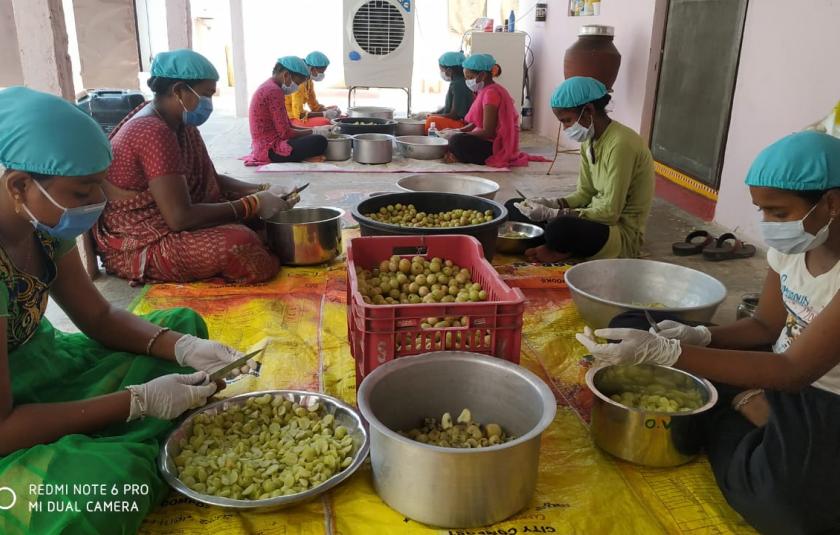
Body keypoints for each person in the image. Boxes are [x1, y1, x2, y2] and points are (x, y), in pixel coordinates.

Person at [0, 86, 254, 534]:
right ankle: (126, 434)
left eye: (100, 183)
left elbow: (97, 318)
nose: (100, 200)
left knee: (180, 323)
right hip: (9, 416)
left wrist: (184, 347)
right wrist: (138, 401)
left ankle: (127, 425)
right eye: (83, 191)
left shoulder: (40, 225)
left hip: (44, 363)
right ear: (20, 184)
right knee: (107, 488)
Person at [577, 131, 840, 535]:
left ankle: (728, 412)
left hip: (818, 395)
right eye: (761, 211)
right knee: (629, 322)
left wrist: (667, 354)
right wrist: (698, 336)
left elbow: (793, 370)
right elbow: (765, 325)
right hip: (775, 364)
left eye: (779, 213)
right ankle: (745, 405)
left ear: (831, 203)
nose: (768, 225)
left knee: (786, 504)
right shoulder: (791, 248)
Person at [94, 49, 298, 284]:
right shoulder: (152, 131)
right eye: (206, 94)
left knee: (262, 225)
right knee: (241, 242)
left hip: (169, 222)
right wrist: (252, 203)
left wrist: (261, 188)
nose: (208, 103)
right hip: (142, 240)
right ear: (179, 90)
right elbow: (179, 218)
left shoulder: (180, 123)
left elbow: (210, 178)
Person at [509, 77, 654, 263]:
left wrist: (555, 214)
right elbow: (585, 193)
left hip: (618, 232)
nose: (566, 128)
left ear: (589, 111)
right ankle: (554, 245)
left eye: (567, 121)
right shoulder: (589, 141)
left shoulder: (621, 144)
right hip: (592, 217)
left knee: (558, 228)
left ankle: (556, 247)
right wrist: (552, 203)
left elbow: (610, 213)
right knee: (516, 206)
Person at [444, 53, 538, 168]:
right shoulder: (483, 90)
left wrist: (460, 134)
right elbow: (475, 123)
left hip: (494, 146)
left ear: (482, 75)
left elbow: (488, 132)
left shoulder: (491, 93)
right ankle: (458, 153)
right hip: (486, 141)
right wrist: (457, 130)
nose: (467, 81)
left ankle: (461, 155)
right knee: (454, 138)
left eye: (470, 77)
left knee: (456, 141)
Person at [245, 56, 328, 165]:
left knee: (314, 137)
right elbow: (285, 133)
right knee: (319, 141)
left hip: (264, 146)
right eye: (297, 83)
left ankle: (302, 155)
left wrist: (314, 129)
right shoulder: (274, 91)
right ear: (286, 75)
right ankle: (300, 157)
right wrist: (314, 131)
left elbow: (289, 125)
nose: (297, 87)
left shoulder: (271, 86)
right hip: (270, 149)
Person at [421, 51, 473, 134]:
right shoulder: (457, 82)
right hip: (458, 121)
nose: (441, 73)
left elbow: (454, 115)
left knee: (431, 121)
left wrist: (433, 116)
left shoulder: (459, 84)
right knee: (431, 117)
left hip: (461, 124)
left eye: (441, 70)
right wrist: (434, 113)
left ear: (449, 70)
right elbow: (449, 106)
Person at [285, 51, 340, 128]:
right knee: (326, 122)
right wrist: (325, 114)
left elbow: (314, 107)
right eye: (321, 72)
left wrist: (330, 110)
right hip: (289, 118)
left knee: (338, 117)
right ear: (313, 69)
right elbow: (299, 115)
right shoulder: (299, 83)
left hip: (297, 116)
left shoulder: (309, 81)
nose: (322, 75)